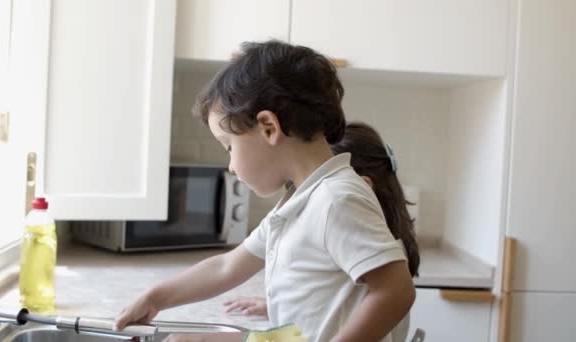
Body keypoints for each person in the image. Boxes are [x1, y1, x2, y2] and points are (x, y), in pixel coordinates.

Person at [115, 41, 415, 342]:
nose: (230, 165)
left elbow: (396, 291)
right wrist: (156, 298)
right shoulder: (298, 203)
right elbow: (226, 267)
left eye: (229, 147)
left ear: (269, 127)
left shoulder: (336, 199)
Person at [224, 122, 421, 326]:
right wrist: (282, 306)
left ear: (359, 186)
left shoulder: (340, 204)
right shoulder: (378, 240)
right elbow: (338, 300)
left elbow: (386, 298)